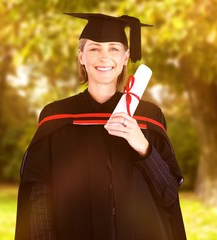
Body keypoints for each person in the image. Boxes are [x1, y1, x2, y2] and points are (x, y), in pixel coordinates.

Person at [15, 13, 186, 240]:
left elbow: (168, 195)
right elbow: (39, 196)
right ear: (81, 57)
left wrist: (143, 148)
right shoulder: (56, 117)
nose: (104, 57)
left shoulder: (148, 117)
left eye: (114, 49)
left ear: (126, 57)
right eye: (94, 49)